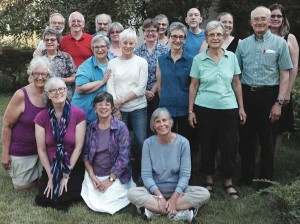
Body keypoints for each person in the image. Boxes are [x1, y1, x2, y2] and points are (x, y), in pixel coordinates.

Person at [235, 6, 293, 189]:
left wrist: (279, 103)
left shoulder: (280, 44)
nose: (259, 22)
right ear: (251, 23)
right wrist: (240, 104)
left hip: (270, 96)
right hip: (247, 94)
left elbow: (285, 74)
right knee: (246, 140)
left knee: (267, 141)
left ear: (269, 22)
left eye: (263, 19)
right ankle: (246, 177)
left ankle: (265, 182)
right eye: (256, 19)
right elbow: (236, 74)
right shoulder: (243, 45)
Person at [189, 21, 246, 198]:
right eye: (211, 34)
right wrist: (191, 110)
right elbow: (193, 85)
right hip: (204, 108)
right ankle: (209, 179)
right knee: (207, 144)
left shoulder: (231, 57)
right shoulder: (198, 59)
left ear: (223, 37)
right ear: (206, 38)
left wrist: (241, 107)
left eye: (218, 35)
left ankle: (228, 182)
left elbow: (236, 83)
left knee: (229, 146)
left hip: (228, 108)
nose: (215, 37)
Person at [127, 108, 210, 222]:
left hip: (179, 191)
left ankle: (154, 211)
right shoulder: (148, 143)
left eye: (164, 120)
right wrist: (160, 197)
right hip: (154, 192)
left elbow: (185, 175)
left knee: (204, 194)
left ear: (170, 122)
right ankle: (182, 213)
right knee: (132, 193)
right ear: (154, 126)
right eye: (157, 121)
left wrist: (174, 198)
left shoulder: (183, 143)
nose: (162, 124)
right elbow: (146, 175)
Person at [34, 77, 86, 211]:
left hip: (72, 164)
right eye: (53, 90)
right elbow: (41, 150)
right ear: (48, 95)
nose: (58, 92)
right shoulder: (41, 117)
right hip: (52, 165)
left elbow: (78, 147)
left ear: (66, 91)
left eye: (61, 89)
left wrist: (66, 174)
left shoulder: (78, 114)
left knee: (64, 199)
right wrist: (51, 176)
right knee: (44, 199)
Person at [81, 92, 136, 214]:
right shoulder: (91, 128)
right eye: (99, 104)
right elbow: (85, 155)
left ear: (112, 108)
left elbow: (124, 157)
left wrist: (110, 180)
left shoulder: (121, 128)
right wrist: (92, 176)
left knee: (107, 200)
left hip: (115, 174)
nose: (103, 107)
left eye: (107, 104)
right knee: (94, 196)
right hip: (95, 174)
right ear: (95, 109)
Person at [1, 57, 50, 190]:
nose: (40, 77)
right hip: (23, 150)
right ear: (31, 75)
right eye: (36, 74)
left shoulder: (50, 94)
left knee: (45, 183)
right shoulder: (21, 95)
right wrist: (5, 154)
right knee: (23, 187)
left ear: (49, 75)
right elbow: (7, 125)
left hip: (44, 150)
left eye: (44, 74)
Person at [106, 28, 148, 179]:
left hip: (138, 108)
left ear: (135, 44)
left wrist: (121, 101)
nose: (128, 46)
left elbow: (141, 89)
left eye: (131, 43)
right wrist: (115, 109)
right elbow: (110, 87)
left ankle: (140, 173)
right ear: (120, 43)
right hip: (118, 110)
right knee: (119, 142)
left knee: (141, 141)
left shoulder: (141, 62)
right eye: (125, 42)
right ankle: (120, 171)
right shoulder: (112, 63)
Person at [157, 22, 194, 148]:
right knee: (167, 143)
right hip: (166, 109)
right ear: (168, 37)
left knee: (185, 143)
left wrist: (190, 110)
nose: (177, 40)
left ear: (185, 39)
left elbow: (193, 86)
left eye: (181, 37)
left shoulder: (191, 60)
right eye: (174, 36)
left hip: (185, 109)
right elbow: (160, 86)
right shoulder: (161, 60)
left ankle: (186, 168)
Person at [269, 3, 299, 156]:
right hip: (266, 87)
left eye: (278, 16)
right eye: (272, 15)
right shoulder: (261, 36)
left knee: (279, 127)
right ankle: (258, 160)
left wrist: (287, 91)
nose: (275, 18)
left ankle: (272, 160)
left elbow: (294, 66)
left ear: (283, 18)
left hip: (283, 87)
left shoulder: (290, 38)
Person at [134, 18, 168, 135]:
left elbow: (164, 73)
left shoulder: (164, 51)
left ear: (158, 32)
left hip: (158, 93)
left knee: (158, 122)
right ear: (144, 32)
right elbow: (134, 74)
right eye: (147, 30)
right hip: (140, 93)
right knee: (144, 125)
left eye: (153, 30)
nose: (150, 33)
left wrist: (153, 91)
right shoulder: (137, 52)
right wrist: (145, 91)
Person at [72, 35, 111, 124]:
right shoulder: (85, 66)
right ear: (92, 50)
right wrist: (102, 81)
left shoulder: (114, 64)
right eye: (96, 47)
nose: (99, 49)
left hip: (103, 112)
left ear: (108, 48)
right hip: (83, 113)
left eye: (102, 46)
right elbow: (80, 88)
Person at [41, 28, 77, 100]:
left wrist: (61, 80)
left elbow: (75, 78)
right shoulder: (39, 58)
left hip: (64, 97)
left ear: (58, 42)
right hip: (45, 97)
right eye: (47, 40)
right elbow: (31, 79)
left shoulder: (66, 57)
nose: (49, 42)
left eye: (52, 39)